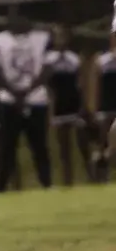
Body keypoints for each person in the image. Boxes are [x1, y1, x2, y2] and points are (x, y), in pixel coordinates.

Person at [0, 13, 52, 193]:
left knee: (39, 144)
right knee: (6, 146)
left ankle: (47, 183)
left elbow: (48, 68)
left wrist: (26, 92)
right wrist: (15, 93)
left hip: (36, 99)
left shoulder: (43, 39)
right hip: (8, 101)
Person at [45, 24, 88, 187]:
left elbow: (81, 83)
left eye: (62, 36)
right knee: (64, 146)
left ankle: (91, 175)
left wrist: (83, 105)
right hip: (59, 104)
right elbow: (48, 85)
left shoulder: (74, 58)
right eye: (57, 36)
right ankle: (67, 180)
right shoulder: (48, 59)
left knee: (82, 143)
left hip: (74, 103)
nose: (60, 39)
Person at [88, 25, 116, 185]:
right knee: (104, 143)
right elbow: (95, 86)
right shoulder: (102, 60)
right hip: (106, 108)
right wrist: (93, 109)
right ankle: (101, 175)